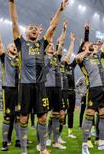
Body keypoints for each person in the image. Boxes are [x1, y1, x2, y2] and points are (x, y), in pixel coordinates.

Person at [4, 0, 69, 154]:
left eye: (35, 28)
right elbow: (14, 22)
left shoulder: (42, 44)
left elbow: (52, 27)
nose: (33, 29)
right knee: (23, 118)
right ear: (26, 33)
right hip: (24, 86)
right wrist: (12, 2)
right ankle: (24, 150)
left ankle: (43, 148)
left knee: (42, 117)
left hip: (40, 86)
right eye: (30, 28)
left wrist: (60, 10)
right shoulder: (21, 44)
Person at [76, 24, 104, 154]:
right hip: (94, 89)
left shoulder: (98, 56)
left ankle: (102, 143)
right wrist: (86, 50)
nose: (92, 44)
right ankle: (85, 144)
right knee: (89, 115)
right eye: (88, 44)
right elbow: (77, 58)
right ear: (84, 47)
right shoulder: (83, 58)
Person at [0, 16, 20, 151]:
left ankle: (19, 140)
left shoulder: (20, 59)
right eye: (12, 46)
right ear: (8, 49)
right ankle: (5, 141)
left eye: (15, 46)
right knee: (8, 115)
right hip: (8, 89)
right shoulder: (5, 58)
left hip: (20, 89)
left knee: (19, 116)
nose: (14, 47)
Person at [44, 20, 67, 150]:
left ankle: (55, 140)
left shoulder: (56, 58)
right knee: (44, 115)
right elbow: (47, 39)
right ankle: (45, 138)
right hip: (47, 88)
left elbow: (62, 43)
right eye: (50, 45)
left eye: (53, 45)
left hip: (58, 89)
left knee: (57, 115)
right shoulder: (42, 56)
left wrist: (63, 31)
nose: (52, 47)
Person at [62, 33, 76, 139]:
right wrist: (71, 42)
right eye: (65, 56)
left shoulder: (71, 66)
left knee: (71, 112)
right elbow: (70, 53)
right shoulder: (61, 67)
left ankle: (70, 132)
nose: (67, 57)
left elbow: (75, 55)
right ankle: (59, 132)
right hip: (64, 92)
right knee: (62, 112)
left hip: (72, 92)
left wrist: (73, 41)